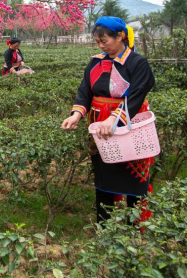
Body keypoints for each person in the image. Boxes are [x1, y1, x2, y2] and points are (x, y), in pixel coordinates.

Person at [61, 17, 155, 224]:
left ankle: (134, 225)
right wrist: (76, 115)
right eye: (98, 42)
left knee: (134, 176)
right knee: (104, 173)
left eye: (105, 41)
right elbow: (85, 90)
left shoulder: (137, 62)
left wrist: (114, 118)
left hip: (129, 124)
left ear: (120, 36)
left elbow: (138, 95)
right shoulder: (96, 62)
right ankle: (104, 225)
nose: (101, 46)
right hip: (100, 127)